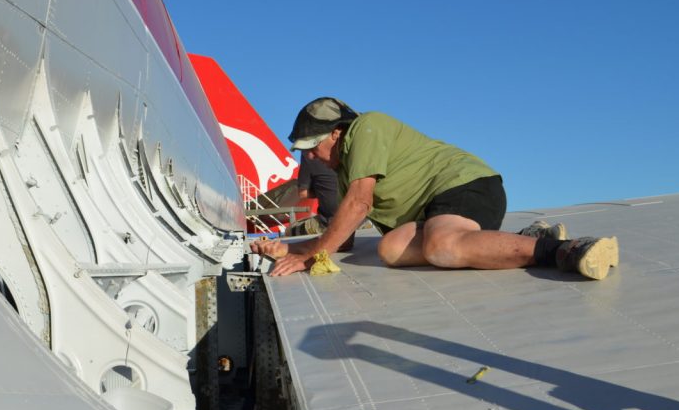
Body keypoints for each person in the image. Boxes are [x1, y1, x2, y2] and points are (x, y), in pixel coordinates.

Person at [251, 97, 619, 280]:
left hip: (466, 184)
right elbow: (340, 240)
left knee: (441, 245)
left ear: (336, 133)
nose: (311, 155)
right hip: (437, 209)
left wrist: (308, 257)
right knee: (391, 249)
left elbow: (359, 205)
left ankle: (565, 250)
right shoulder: (348, 169)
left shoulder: (367, 128)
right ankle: (522, 239)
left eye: (313, 145)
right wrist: (288, 248)